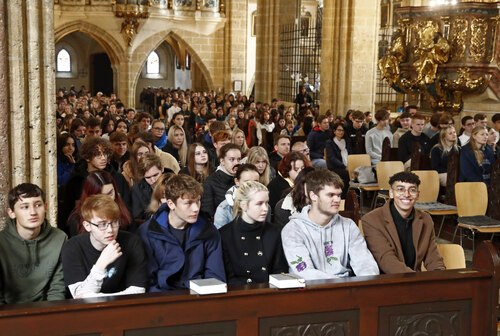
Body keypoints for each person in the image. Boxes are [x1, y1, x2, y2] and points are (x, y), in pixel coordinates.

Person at [281, 169, 379, 279]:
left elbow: (365, 263)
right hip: (311, 291)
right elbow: (304, 271)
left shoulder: (348, 226)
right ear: (313, 196)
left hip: (348, 288)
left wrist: (368, 286)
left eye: (339, 195)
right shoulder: (293, 230)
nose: (337, 200)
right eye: (330, 195)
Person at [138, 174, 225, 291]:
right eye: (188, 203)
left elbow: (215, 276)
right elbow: (148, 281)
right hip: (162, 300)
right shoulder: (148, 232)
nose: (196, 208)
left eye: (198, 201)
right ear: (171, 204)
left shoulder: (208, 230)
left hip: (199, 298)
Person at [62, 194, 148, 298]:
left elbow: (138, 290)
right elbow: (80, 298)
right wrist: (101, 264)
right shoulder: (72, 247)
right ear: (87, 226)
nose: (110, 230)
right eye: (102, 224)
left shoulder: (132, 242)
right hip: (87, 312)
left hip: (124, 309)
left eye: (114, 222)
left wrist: (102, 299)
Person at [362, 172, 445, 273]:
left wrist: (440, 278)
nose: (407, 194)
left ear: (418, 195)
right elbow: (387, 260)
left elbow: (433, 258)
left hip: (415, 282)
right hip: (386, 282)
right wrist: (415, 282)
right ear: (391, 193)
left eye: (412, 190)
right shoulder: (372, 220)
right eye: (400, 189)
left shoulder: (425, 219)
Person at [0, 183, 67, 304]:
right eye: (25, 207)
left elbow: (57, 289)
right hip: (7, 314)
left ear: (45, 206)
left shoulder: (60, 238)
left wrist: (52, 317)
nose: (33, 212)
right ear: (11, 213)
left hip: (45, 311)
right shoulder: (2, 243)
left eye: (38, 205)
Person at [219, 181, 288, 284]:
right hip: (240, 294)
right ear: (243, 205)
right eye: (259, 204)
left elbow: (280, 270)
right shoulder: (225, 235)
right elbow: (228, 277)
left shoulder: (274, 232)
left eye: (267, 203)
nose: (265, 209)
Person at [66, 170, 132, 237]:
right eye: (101, 196)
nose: (107, 199)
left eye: (110, 193)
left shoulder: (125, 212)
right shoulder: (77, 220)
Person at [214, 163, 270, 229]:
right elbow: (220, 235)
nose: (252, 186)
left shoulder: (265, 206)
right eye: (247, 182)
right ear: (237, 181)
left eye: (256, 182)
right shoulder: (224, 208)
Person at [201, 143, 242, 220]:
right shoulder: (209, 183)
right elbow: (208, 215)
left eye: (238, 159)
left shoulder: (242, 178)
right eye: (232, 159)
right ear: (222, 161)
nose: (236, 163)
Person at [131, 153, 163, 224]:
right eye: (148, 177)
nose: (153, 180)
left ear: (162, 169)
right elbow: (138, 216)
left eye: (155, 175)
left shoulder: (172, 182)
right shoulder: (137, 189)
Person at [325, 123, 351, 198]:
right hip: (335, 167)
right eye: (339, 130)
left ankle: (351, 197)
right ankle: (342, 197)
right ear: (334, 131)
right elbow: (332, 158)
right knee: (346, 174)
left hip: (347, 166)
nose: (341, 132)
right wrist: (344, 166)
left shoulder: (347, 141)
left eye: (342, 130)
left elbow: (350, 154)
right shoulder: (330, 142)